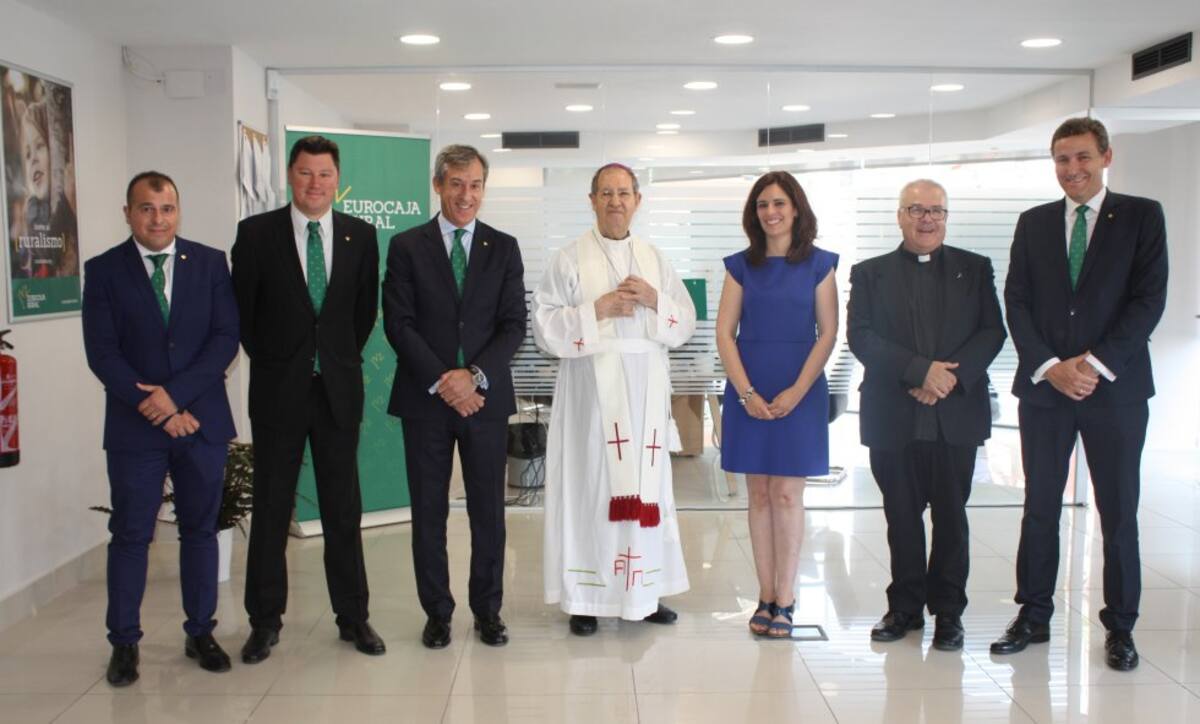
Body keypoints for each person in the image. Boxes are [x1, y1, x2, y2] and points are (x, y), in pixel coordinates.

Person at [992, 117, 1168, 671]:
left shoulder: (1141, 216)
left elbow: (1148, 300)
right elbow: (1017, 299)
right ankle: (1033, 615)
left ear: (1106, 157)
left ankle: (1120, 627)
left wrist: (1091, 366)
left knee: (1118, 511)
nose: (1073, 169)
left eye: (1083, 157)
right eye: (1063, 159)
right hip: (1046, 391)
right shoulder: (1034, 222)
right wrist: (1050, 367)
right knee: (1039, 506)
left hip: (1115, 390)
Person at [82, 171, 239, 686]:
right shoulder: (104, 271)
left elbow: (225, 339)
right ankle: (124, 643)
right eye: (146, 208)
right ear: (127, 213)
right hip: (137, 427)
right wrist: (160, 407)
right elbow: (102, 353)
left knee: (200, 529)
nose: (157, 219)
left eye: (167, 208)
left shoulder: (210, 263)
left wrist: (176, 397)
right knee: (131, 534)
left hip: (201, 422)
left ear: (178, 211)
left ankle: (201, 632)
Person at [231, 135, 384, 662]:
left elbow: (362, 314)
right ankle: (264, 622)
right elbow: (245, 318)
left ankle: (353, 617)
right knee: (272, 508)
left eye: (324, 174)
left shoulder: (361, 236)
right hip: (279, 392)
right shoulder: (256, 234)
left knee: (343, 509)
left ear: (337, 180)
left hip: (337, 392)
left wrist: (331, 360)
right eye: (305, 173)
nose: (315, 184)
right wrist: (285, 362)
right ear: (290, 176)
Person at [533, 163, 695, 635]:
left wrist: (654, 299)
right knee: (591, 487)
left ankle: (645, 591)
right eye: (606, 193)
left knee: (646, 489)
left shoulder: (655, 260)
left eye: (623, 193)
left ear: (637, 201)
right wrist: (597, 309)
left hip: (644, 398)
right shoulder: (568, 259)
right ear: (592, 200)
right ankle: (586, 597)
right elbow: (543, 327)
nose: (615, 202)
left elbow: (684, 323)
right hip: (590, 398)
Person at [847, 179, 1005, 651]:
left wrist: (946, 379)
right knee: (901, 517)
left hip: (954, 415)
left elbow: (991, 332)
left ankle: (949, 613)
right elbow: (862, 336)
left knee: (952, 519)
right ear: (900, 216)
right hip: (893, 415)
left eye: (936, 210)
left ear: (946, 217)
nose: (927, 219)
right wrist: (920, 371)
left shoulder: (974, 269)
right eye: (916, 210)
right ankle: (905, 608)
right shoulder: (870, 273)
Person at [383, 144, 526, 649]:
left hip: (485, 401)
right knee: (429, 512)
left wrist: (474, 377)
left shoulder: (504, 247)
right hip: (426, 401)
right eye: (457, 184)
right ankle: (437, 612)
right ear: (438, 185)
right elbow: (398, 323)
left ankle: (488, 611)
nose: (467, 195)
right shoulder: (406, 246)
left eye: (476, 185)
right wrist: (446, 380)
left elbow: (514, 324)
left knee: (489, 511)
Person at [715, 171, 839, 638]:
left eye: (779, 203)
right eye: (763, 204)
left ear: (796, 208)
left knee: (787, 494)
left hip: (799, 390)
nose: (771, 212)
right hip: (749, 389)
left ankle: (786, 599)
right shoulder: (740, 266)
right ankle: (764, 595)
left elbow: (828, 333)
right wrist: (746, 393)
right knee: (759, 495)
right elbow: (725, 333)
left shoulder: (820, 265)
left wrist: (797, 391)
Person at [14, 100, 78, 278]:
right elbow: (47, 252)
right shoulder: (33, 207)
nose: (33, 159)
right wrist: (65, 202)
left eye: (40, 146)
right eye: (28, 154)